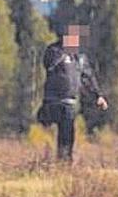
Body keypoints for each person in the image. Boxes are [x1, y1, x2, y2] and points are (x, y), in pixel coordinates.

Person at [38, 24, 108, 161]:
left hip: (69, 102)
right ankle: (44, 160)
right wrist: (64, 52)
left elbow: (88, 78)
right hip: (53, 101)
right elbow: (48, 64)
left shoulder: (79, 58)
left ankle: (64, 163)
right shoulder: (53, 50)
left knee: (68, 136)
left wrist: (98, 96)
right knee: (48, 132)